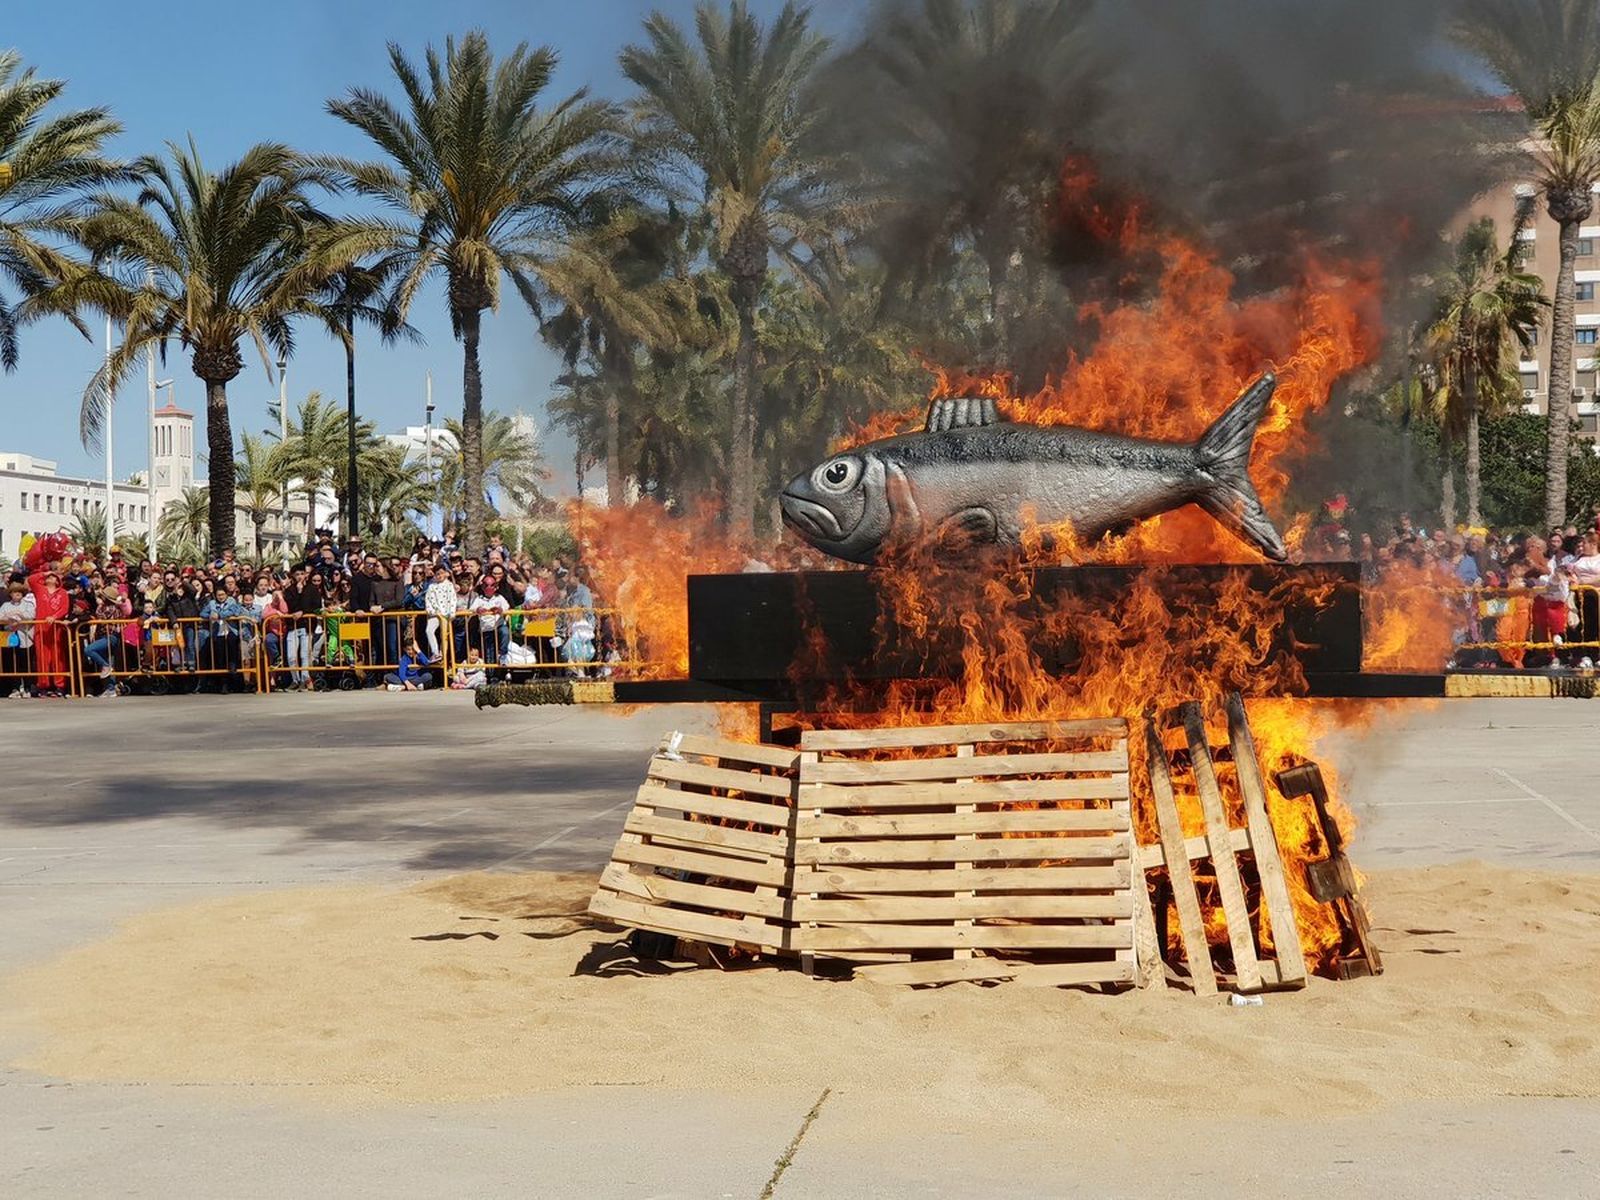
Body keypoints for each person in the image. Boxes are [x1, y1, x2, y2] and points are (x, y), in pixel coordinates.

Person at [281, 564, 323, 691]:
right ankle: (295, 679)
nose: (300, 577)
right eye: (297, 574)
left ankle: (305, 678)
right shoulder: (289, 590)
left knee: (305, 655)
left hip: (306, 626)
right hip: (292, 626)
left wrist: (303, 612)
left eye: (302, 574)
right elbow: (291, 606)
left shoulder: (312, 589)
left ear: (306, 575)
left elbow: (315, 606)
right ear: (293, 576)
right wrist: (298, 592)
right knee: (291, 656)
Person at [0, 579, 37, 696]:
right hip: (10, 636)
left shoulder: (28, 604)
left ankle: (27, 688)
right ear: (10, 594)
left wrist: (19, 616)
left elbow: (31, 616)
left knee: (25, 663)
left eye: (19, 593)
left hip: (25, 637)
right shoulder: (5, 605)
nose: (17, 595)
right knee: (12, 663)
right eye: (14, 593)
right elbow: (1, 617)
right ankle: (15, 688)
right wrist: (9, 618)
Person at [423, 563, 456, 663]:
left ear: (445, 573)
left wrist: (452, 612)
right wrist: (431, 611)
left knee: (444, 636)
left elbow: (453, 599)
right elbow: (428, 600)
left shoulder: (449, 585)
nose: (440, 576)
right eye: (437, 574)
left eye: (441, 573)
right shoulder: (431, 587)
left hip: (445, 614)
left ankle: (444, 656)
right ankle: (435, 652)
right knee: (429, 630)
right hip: (435, 614)